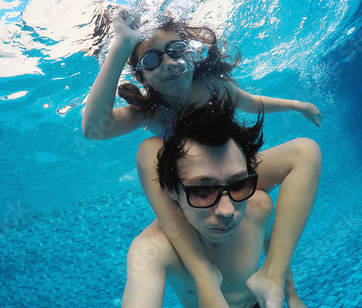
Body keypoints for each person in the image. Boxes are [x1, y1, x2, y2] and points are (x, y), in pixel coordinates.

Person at [82, 8, 322, 307]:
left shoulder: (212, 84)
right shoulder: (150, 111)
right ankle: (201, 270)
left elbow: (252, 102)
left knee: (305, 151)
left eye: (176, 50)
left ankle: (270, 275)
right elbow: (94, 129)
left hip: (225, 168)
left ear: (192, 53)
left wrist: (298, 105)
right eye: (152, 60)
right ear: (142, 77)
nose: (169, 64)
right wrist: (122, 45)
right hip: (192, 183)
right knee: (148, 151)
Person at [122, 93, 307, 308]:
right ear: (172, 191)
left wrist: (292, 297)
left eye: (238, 185)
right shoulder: (154, 249)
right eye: (203, 191)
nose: (227, 211)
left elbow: (273, 248)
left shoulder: (258, 208)